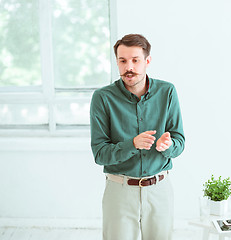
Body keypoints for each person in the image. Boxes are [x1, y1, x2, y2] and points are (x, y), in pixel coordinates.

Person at [90, 34, 185, 240]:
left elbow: (180, 141)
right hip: (119, 191)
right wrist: (132, 144)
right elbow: (99, 154)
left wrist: (167, 145)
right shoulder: (102, 98)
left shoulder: (167, 92)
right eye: (122, 61)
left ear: (147, 61)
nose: (128, 67)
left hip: (159, 190)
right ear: (116, 62)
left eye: (135, 60)